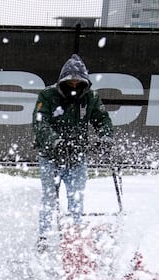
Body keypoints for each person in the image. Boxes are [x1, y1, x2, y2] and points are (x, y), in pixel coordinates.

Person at [32, 53, 113, 252]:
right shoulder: (48, 96)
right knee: (49, 197)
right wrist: (57, 143)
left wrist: (105, 138)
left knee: (76, 197)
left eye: (78, 82)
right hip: (51, 157)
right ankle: (43, 235)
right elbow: (40, 124)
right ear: (63, 81)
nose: (74, 86)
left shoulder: (91, 98)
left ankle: (75, 234)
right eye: (71, 82)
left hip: (78, 156)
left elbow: (102, 120)